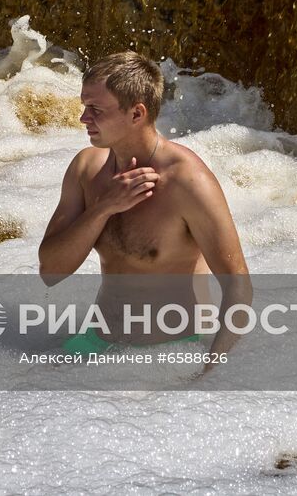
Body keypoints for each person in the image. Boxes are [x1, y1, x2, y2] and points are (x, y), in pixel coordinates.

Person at [37, 51, 251, 367]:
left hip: (169, 354)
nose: (84, 118)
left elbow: (238, 287)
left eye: (95, 109)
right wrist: (103, 208)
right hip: (98, 341)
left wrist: (209, 373)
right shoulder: (86, 169)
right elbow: (50, 272)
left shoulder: (187, 182)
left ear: (137, 114)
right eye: (85, 107)